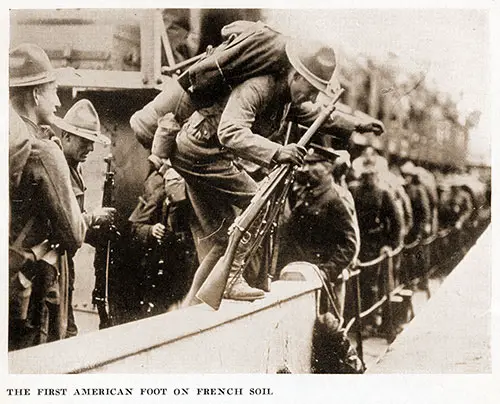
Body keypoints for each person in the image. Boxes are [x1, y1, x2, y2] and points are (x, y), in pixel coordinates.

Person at [172, 38, 384, 306]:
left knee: (223, 237)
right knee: (259, 204)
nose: (313, 96)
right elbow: (230, 132)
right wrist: (278, 151)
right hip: (200, 153)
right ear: (296, 76)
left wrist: (358, 124)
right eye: (312, 88)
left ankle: (193, 306)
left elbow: (320, 116)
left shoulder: (288, 98)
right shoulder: (259, 87)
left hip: (206, 154)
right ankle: (232, 279)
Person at [9, 43, 87, 350]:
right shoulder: (44, 151)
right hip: (26, 293)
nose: (57, 102)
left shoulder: (13, 140)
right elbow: (74, 234)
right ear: (35, 95)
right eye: (53, 91)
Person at [51, 99, 116, 337]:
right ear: (67, 136)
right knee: (58, 330)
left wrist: (95, 232)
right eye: (85, 141)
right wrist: (92, 218)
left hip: (65, 261)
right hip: (50, 262)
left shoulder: (72, 166)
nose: (90, 148)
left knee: (66, 327)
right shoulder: (55, 166)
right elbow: (60, 223)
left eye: (92, 143)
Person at [279, 144, 360, 316]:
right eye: (305, 164)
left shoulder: (336, 198)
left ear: (328, 167)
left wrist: (327, 272)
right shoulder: (306, 194)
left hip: (326, 280)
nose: (306, 169)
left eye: (312, 164)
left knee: (327, 328)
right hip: (303, 274)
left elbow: (350, 244)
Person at [128, 130, 197, 316]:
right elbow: (135, 226)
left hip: (191, 261)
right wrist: (151, 230)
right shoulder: (157, 183)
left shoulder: (198, 177)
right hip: (165, 264)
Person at [349, 160, 404, 331]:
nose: (368, 178)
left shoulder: (383, 194)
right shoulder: (353, 191)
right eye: (365, 175)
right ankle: (354, 319)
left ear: (377, 175)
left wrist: (389, 244)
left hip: (374, 243)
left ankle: (369, 321)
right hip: (356, 240)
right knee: (354, 282)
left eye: (371, 174)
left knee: (370, 283)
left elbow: (396, 222)